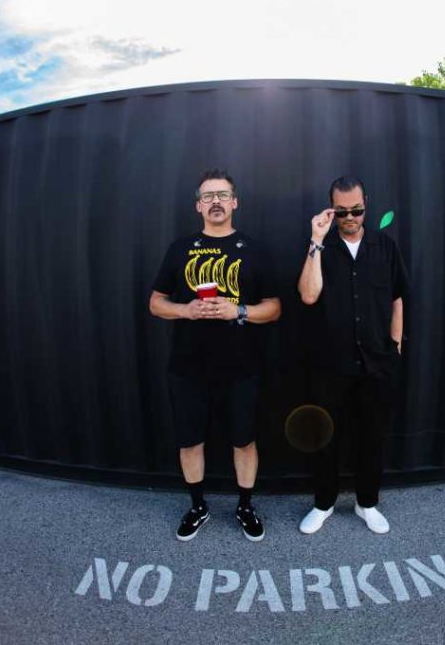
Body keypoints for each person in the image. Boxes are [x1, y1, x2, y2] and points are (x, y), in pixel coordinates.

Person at [149, 169, 281, 542]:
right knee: (190, 441)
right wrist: (186, 310)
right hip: (188, 367)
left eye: (222, 195)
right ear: (198, 206)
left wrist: (238, 310)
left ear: (234, 202)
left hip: (241, 367)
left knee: (244, 441)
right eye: (208, 196)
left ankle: (245, 506)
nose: (216, 202)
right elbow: (156, 303)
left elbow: (274, 308)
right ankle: (198, 507)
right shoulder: (179, 249)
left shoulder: (254, 249)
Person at [297, 175, 407, 535]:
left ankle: (367, 503)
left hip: (377, 361)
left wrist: (395, 345)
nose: (350, 217)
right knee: (326, 437)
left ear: (365, 206)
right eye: (341, 211)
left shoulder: (385, 246)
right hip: (331, 364)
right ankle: (323, 503)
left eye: (356, 210)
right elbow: (308, 295)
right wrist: (316, 240)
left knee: (372, 436)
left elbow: (398, 297)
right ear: (331, 210)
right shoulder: (321, 248)